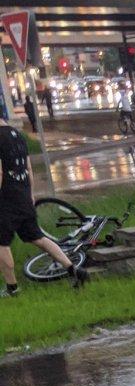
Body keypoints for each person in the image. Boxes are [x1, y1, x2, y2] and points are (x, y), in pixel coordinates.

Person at [0, 114, 88, 296]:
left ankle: (12, 288)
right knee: (37, 237)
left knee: (1, 243)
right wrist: (30, 194)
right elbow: (28, 168)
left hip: (6, 197)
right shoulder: (18, 135)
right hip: (23, 194)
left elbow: (0, 173)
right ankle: (73, 269)